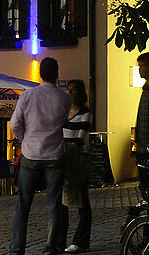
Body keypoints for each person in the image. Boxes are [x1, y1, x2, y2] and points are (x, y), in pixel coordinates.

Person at [8, 56, 71, 255]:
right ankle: (50, 247)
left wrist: (24, 139)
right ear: (57, 74)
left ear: (39, 73)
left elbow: (14, 124)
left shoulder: (27, 96)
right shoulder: (65, 98)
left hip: (31, 153)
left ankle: (17, 248)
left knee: (23, 204)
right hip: (54, 154)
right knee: (54, 203)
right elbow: (63, 121)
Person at [60, 79, 93, 253]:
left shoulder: (86, 113)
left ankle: (81, 240)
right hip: (62, 159)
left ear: (80, 93)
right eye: (68, 90)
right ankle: (60, 240)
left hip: (77, 160)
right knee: (61, 202)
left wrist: (61, 142)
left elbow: (79, 138)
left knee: (81, 201)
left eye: (74, 90)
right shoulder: (63, 112)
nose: (70, 93)